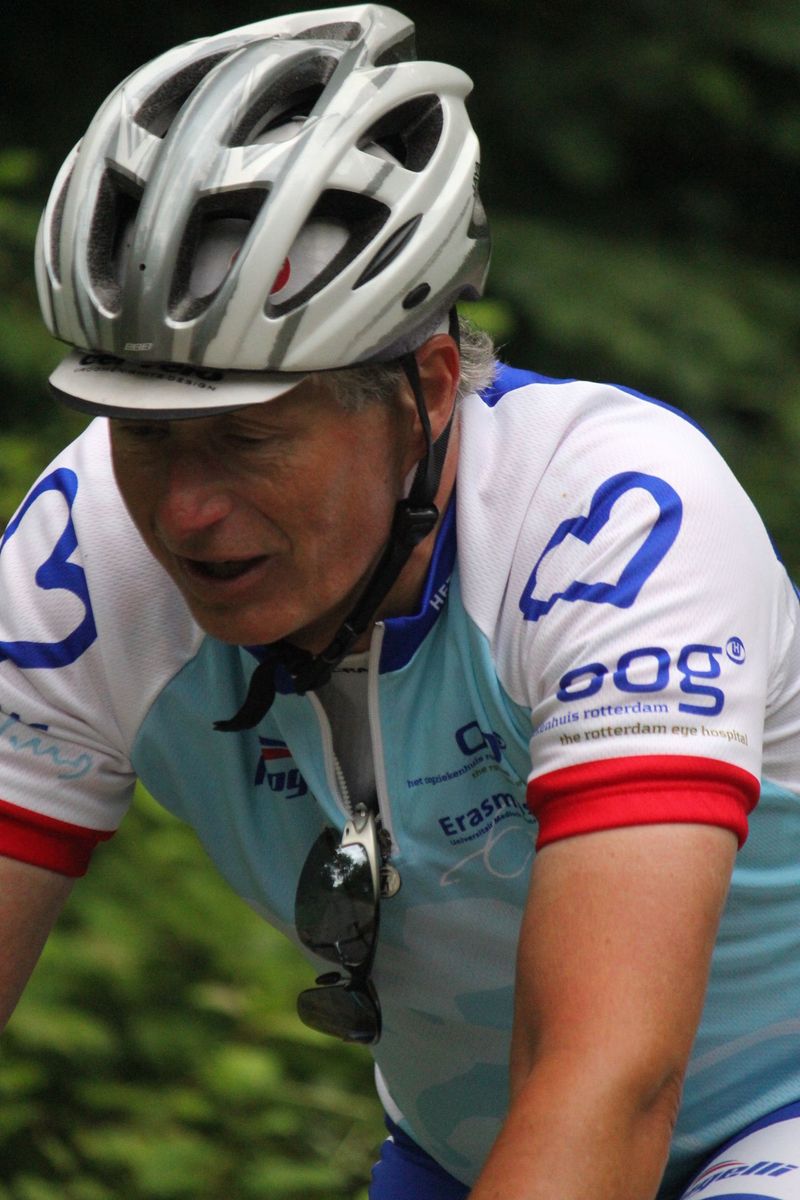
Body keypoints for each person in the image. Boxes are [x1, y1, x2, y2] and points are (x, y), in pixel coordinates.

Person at [3, 5, 800, 1197]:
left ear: (425, 388)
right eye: (144, 435)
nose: (183, 512)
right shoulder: (84, 552)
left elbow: (612, 1082)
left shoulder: (610, 516)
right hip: (457, 1145)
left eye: (247, 439)